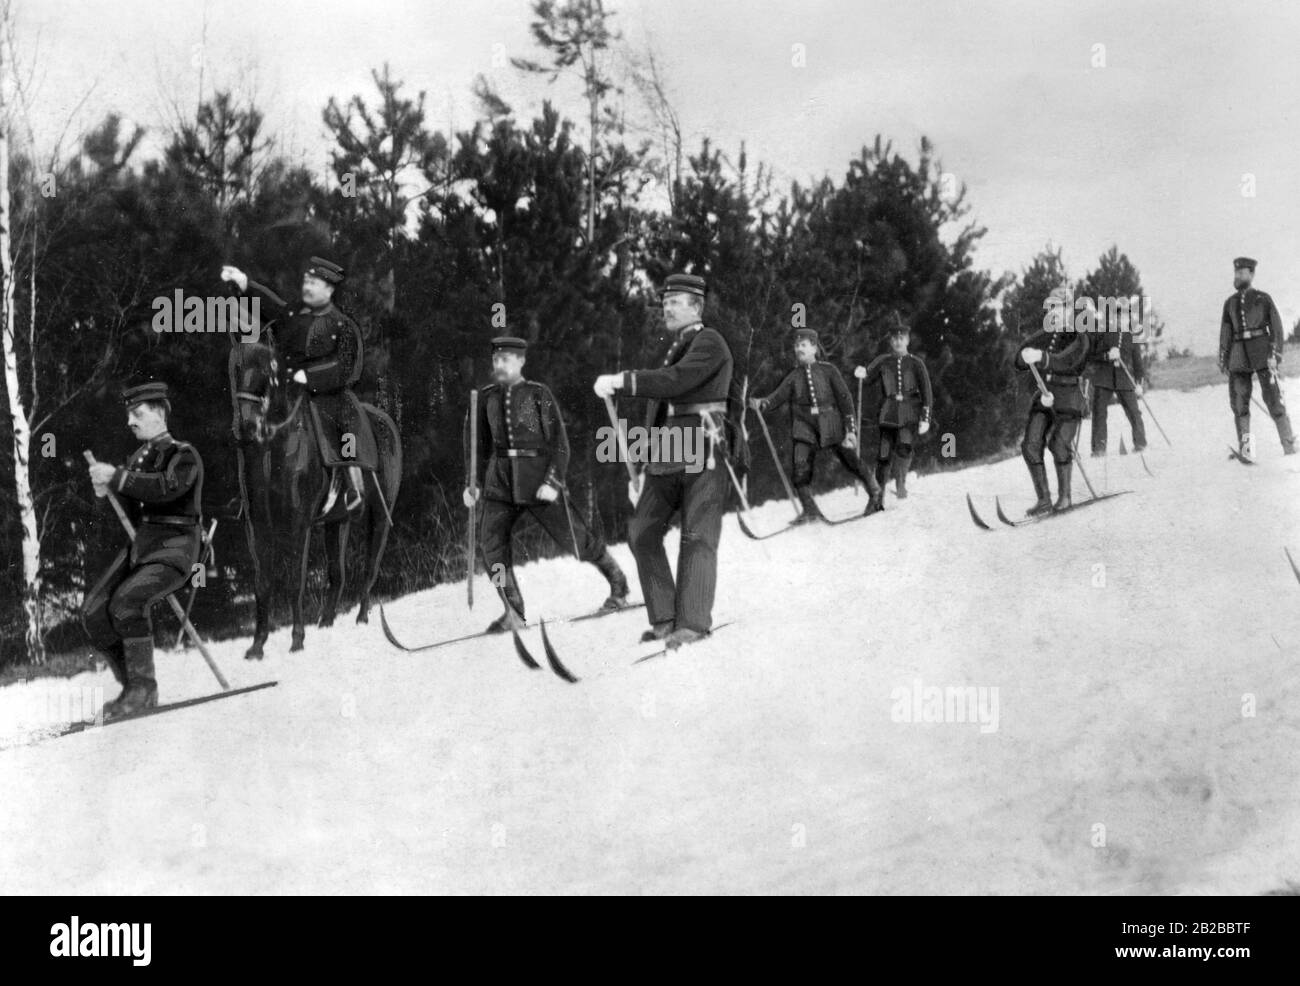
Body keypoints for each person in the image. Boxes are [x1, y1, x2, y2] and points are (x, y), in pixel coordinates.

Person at [594, 273, 734, 649]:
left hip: (704, 443)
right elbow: (660, 408)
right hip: (670, 449)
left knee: (697, 534)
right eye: (665, 302)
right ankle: (665, 618)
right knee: (642, 531)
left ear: (697, 306)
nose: (667, 308)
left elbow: (674, 382)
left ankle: (692, 623)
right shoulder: (678, 346)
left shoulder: (710, 342)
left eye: (675, 302)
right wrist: (639, 466)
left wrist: (626, 380)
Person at [466, 337, 630, 633]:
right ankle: (513, 610)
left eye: (506, 359)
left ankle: (619, 584)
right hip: (499, 484)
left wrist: (553, 482)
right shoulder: (487, 398)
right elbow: (477, 447)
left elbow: (561, 444)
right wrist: (473, 484)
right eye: (495, 360)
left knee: (577, 539)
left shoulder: (537, 395)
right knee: (491, 546)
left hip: (538, 479)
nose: (499, 365)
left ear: (521, 361)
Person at [81, 382, 204, 717]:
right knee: (93, 612)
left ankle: (144, 689)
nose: (130, 421)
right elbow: (132, 502)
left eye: (138, 413)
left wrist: (118, 478)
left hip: (175, 549)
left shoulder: (183, 455)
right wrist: (105, 490)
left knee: (126, 602)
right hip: (142, 547)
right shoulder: (138, 458)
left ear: (160, 413)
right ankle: (131, 688)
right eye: (129, 415)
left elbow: (165, 489)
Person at [220, 257, 377, 517]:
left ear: (328, 289)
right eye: (306, 280)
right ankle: (249, 490)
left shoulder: (343, 326)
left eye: (313, 283)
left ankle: (352, 482)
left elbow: (348, 367)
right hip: (287, 391)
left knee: (347, 423)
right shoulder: (292, 314)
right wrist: (244, 283)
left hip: (327, 394)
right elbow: (268, 306)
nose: (307, 286)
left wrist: (310, 376)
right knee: (255, 423)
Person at [748, 328, 883, 520]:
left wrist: (851, 430)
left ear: (813, 348)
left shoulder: (829, 371)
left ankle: (876, 494)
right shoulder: (794, 375)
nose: (798, 349)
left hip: (831, 423)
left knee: (851, 460)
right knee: (800, 467)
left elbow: (845, 399)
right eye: (796, 346)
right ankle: (810, 511)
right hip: (805, 427)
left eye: (803, 345)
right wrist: (763, 403)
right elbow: (777, 397)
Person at [1218, 256, 1296, 458]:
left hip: (1262, 353)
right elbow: (1226, 332)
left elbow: (1276, 329)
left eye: (1242, 272)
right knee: (1239, 405)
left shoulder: (1263, 299)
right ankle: (1246, 451)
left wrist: (1275, 354)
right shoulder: (1230, 303)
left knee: (1274, 400)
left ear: (1251, 274)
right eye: (1236, 272)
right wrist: (1224, 358)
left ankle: (1288, 445)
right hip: (1238, 357)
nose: (1237, 276)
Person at [1016, 308, 1089, 514]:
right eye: (1050, 308)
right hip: (1044, 396)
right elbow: (1019, 358)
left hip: (1068, 398)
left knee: (1058, 444)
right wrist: (1025, 355)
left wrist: (1041, 356)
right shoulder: (1045, 335)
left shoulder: (1079, 336)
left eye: (1058, 308)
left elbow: (1069, 361)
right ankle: (1044, 500)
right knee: (1030, 445)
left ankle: (1065, 497)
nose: (1053, 313)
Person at [861, 320, 933, 499]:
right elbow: (868, 378)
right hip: (888, 412)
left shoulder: (916, 363)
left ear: (908, 340)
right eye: (894, 339)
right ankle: (879, 493)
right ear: (890, 341)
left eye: (902, 338)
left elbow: (927, 392)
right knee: (884, 453)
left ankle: (901, 484)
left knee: (904, 447)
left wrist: (925, 417)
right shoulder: (883, 361)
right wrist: (862, 374)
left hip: (909, 412)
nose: (898, 342)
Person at [1086, 304, 1147, 456]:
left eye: (1125, 316)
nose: (1121, 319)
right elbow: (1092, 356)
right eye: (1118, 316)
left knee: (1134, 411)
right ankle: (1099, 448)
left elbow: (1138, 364)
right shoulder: (1104, 334)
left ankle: (1140, 443)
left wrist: (1139, 384)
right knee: (1099, 413)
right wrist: (1106, 356)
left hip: (1124, 379)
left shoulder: (1133, 338)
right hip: (1104, 378)